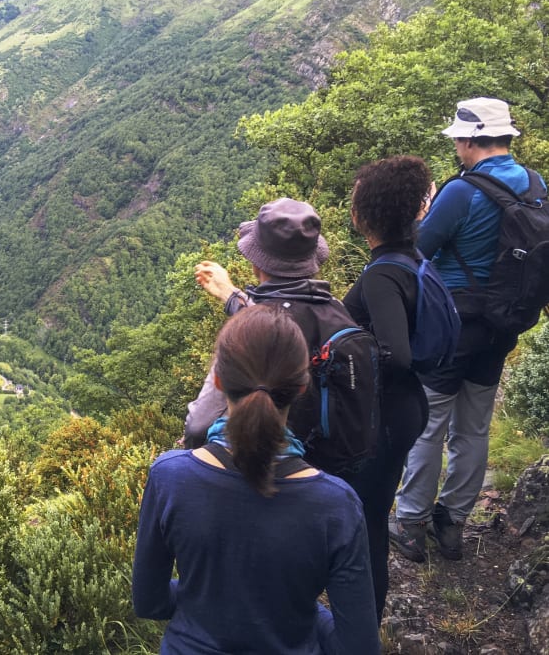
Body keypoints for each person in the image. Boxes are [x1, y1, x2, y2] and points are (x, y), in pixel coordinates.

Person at [133, 305, 381, 654]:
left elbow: (149, 602)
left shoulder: (170, 477)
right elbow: (358, 647)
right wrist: (304, 612)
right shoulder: (336, 504)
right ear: (302, 387)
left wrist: (201, 597)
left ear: (219, 381)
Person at [390, 97, 547, 562]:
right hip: (504, 324)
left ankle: (411, 522)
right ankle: (453, 523)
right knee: (474, 426)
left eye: (458, 139)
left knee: (428, 424)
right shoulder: (536, 184)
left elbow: (420, 248)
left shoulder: (462, 190)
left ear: (468, 140)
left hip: (453, 324)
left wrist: (422, 215)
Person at [342, 155, 432, 621]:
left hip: (385, 415)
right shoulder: (411, 259)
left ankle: (362, 623)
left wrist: (341, 359)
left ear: (363, 214)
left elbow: (396, 354)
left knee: (367, 518)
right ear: (417, 209)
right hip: (406, 407)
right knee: (370, 514)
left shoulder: (381, 275)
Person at [183, 197, 331, 447]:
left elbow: (198, 426)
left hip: (268, 458)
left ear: (256, 262)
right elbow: (280, 314)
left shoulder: (249, 337)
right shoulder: (337, 310)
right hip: (331, 460)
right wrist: (232, 296)